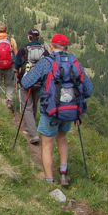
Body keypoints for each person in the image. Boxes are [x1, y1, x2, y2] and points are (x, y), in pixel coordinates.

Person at [21, 34, 93, 186]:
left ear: (52, 46)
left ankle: (49, 180)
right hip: (70, 111)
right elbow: (88, 90)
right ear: (66, 47)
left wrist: (28, 72)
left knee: (47, 143)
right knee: (62, 138)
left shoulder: (46, 62)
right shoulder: (75, 62)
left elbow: (26, 83)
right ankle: (63, 174)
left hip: (51, 110)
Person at [15, 28, 49, 145]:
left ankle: (33, 134)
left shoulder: (24, 50)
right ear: (38, 37)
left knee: (27, 106)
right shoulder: (44, 50)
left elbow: (17, 65)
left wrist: (17, 78)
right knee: (34, 105)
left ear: (29, 37)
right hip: (40, 82)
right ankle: (31, 128)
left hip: (26, 81)